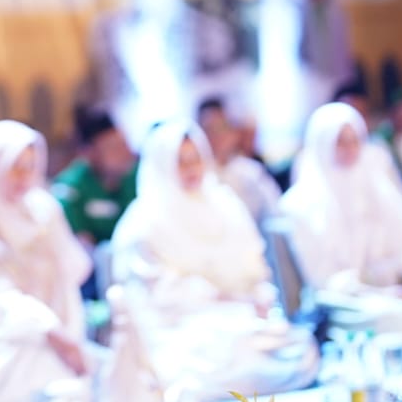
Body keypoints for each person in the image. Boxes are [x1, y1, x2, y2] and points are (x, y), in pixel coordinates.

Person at [111, 122, 319, 397]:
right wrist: (221, 299)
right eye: (181, 162)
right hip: (185, 324)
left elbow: (256, 269)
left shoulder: (225, 203)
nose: (191, 169)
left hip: (245, 316)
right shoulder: (143, 221)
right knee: (220, 353)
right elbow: (157, 294)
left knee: (300, 348)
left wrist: (260, 297)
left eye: (195, 159)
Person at [279, 103, 402, 364]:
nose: (350, 149)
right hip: (352, 302)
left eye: (355, 141)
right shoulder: (301, 205)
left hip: (401, 292)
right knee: (391, 318)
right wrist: (388, 293)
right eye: (340, 142)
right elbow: (324, 281)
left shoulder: (378, 187)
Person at [0, 120, 97, 402]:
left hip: (61, 327)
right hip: (3, 337)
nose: (24, 176)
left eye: (30, 166)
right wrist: (49, 330)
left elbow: (75, 268)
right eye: (14, 166)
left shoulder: (43, 208)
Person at [51, 107, 137, 249]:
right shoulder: (70, 187)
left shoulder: (138, 180)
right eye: (114, 148)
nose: (126, 153)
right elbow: (78, 242)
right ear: (89, 153)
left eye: (125, 144)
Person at [195, 96, 280, 224]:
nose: (217, 136)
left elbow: (274, 210)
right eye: (209, 129)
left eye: (222, 127)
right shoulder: (195, 175)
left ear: (233, 132)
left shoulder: (251, 171)